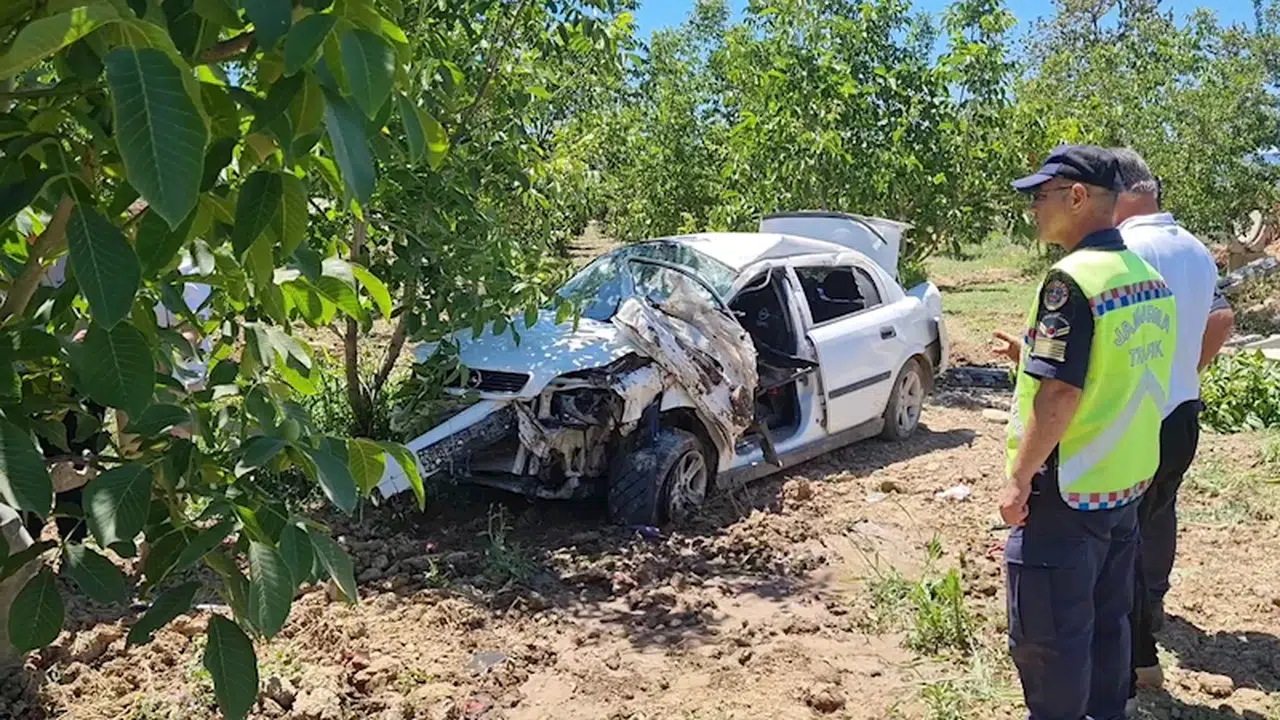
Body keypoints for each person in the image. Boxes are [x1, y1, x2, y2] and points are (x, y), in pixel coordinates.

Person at [993, 144, 1177, 720]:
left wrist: (1019, 478)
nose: (1033, 209)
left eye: (1041, 196)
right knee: (1106, 624)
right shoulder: (1147, 279)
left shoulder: (1070, 283)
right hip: (1124, 485)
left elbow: (1060, 395)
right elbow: (1119, 374)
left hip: (1067, 492)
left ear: (1077, 197)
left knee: (1049, 639)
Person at [1110, 147, 1235, 693]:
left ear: (1118, 193)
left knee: (1118, 536)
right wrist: (1189, 368)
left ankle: (1137, 658)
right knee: (1157, 516)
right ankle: (1151, 610)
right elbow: (1221, 317)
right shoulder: (1194, 248)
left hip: (1136, 415)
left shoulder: (1123, 249)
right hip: (1182, 412)